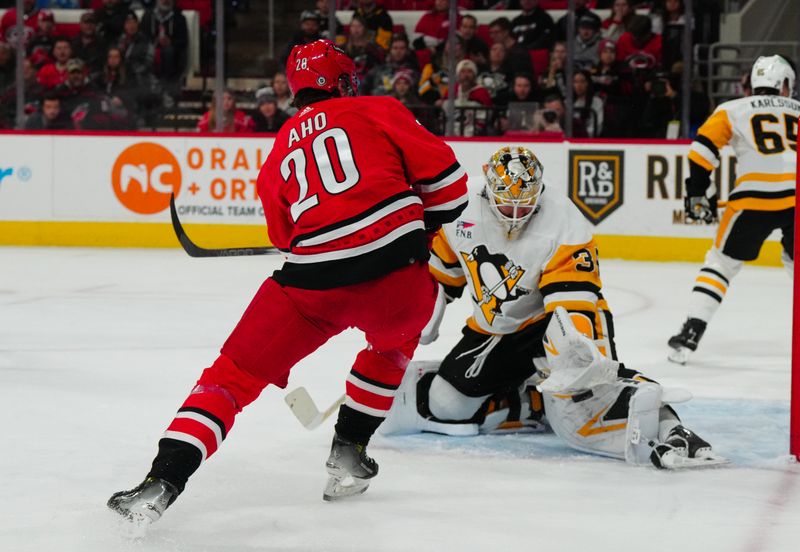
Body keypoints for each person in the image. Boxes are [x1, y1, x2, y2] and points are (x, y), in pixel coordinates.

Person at [107, 39, 469, 526]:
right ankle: (348, 452)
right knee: (392, 347)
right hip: (397, 280)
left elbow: (284, 237)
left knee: (230, 379)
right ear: (342, 82)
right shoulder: (378, 109)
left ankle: (162, 481)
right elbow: (451, 191)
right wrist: (414, 221)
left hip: (310, 286)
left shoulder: (279, 149)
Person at [380, 146, 725, 470]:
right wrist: (415, 314)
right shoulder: (458, 212)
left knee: (583, 409)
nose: (515, 216)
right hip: (500, 330)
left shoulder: (565, 220)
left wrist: (575, 360)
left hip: (554, 319)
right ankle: (532, 401)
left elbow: (570, 304)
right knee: (445, 406)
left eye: (524, 206)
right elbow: (442, 275)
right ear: (488, 189)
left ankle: (666, 422)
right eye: (506, 205)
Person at [667, 56, 799, 364]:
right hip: (798, 198)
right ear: (784, 84)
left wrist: (698, 194)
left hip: (752, 199)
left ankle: (690, 334)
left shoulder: (733, 109)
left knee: (721, 264)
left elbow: (700, 152)